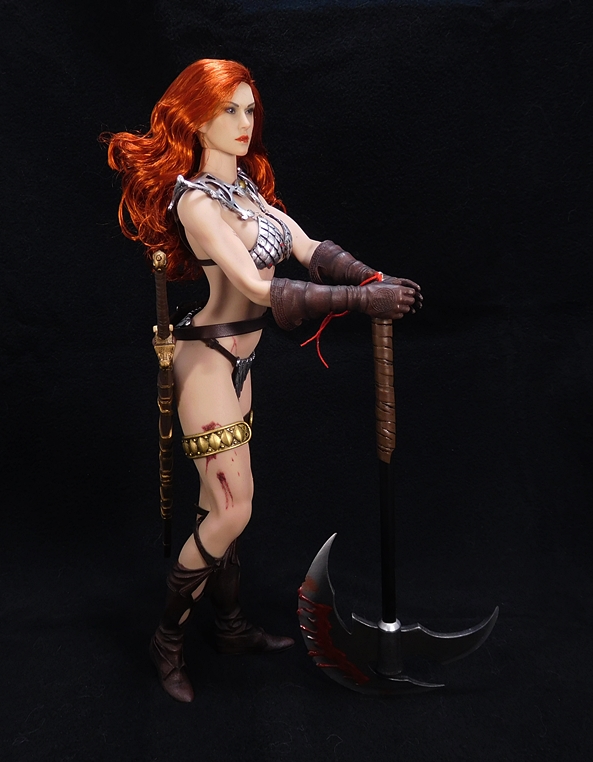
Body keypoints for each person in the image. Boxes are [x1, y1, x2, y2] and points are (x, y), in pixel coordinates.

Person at [105, 58, 421, 702]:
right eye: (229, 110)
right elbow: (254, 286)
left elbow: (306, 247)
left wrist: (369, 277)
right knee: (233, 508)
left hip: (242, 363)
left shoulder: (248, 189)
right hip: (206, 360)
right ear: (197, 119)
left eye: (249, 109)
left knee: (219, 508)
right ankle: (167, 637)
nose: (244, 122)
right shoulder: (195, 201)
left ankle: (229, 626)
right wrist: (362, 304)